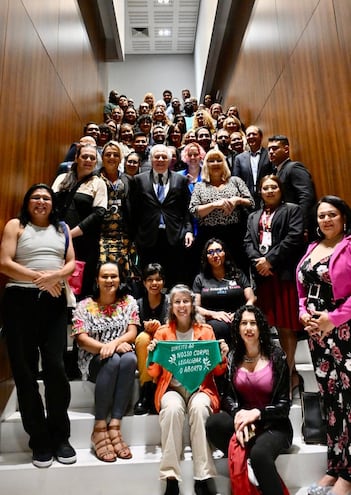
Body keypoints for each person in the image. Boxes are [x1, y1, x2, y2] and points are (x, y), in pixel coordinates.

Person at [0, 183, 76, 468]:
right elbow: (4, 262)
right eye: (36, 197)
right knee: (25, 371)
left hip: (54, 304)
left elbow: (71, 263)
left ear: (52, 203)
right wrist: (40, 278)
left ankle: (60, 436)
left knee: (56, 367)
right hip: (19, 303)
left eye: (46, 198)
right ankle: (39, 440)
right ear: (28, 201)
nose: (42, 201)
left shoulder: (63, 228)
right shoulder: (15, 225)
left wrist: (55, 276)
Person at [147, 284, 229, 495]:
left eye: (185, 301)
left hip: (201, 389)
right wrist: (151, 355)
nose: (182, 305)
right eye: (177, 302)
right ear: (171, 306)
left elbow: (218, 372)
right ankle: (171, 477)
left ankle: (203, 477)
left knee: (201, 409)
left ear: (192, 304)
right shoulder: (163, 333)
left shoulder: (207, 331)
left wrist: (222, 356)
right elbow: (155, 373)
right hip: (171, 388)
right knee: (172, 410)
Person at [296, 195, 351, 495]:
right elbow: (302, 292)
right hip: (317, 335)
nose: (326, 220)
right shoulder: (311, 249)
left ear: (343, 217)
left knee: (350, 401)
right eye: (321, 216)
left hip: (345, 333)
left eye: (332, 215)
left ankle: (350, 474)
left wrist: (334, 318)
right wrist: (303, 314)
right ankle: (335, 466)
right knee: (331, 400)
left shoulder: (350, 246)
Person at [206, 305, 293, 495]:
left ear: (260, 327)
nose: (248, 328)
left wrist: (257, 413)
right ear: (237, 328)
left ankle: (251, 460)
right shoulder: (232, 357)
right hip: (246, 423)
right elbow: (227, 397)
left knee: (260, 455)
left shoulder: (277, 356)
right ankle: (247, 459)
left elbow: (284, 406)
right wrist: (240, 416)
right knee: (214, 423)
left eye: (253, 323)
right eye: (244, 323)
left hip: (273, 424)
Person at [71, 262, 139, 462]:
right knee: (112, 361)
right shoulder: (84, 306)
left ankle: (115, 425)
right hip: (93, 359)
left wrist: (115, 344)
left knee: (128, 359)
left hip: (121, 354)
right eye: (105, 276)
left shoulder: (128, 302)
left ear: (120, 279)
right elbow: (81, 339)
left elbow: (133, 332)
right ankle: (99, 427)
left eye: (114, 276)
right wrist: (105, 349)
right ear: (97, 280)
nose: (109, 280)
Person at [244, 175, 305, 394]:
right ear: (259, 191)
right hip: (263, 277)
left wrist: (270, 260)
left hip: (283, 274)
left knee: (286, 327)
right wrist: (259, 262)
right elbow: (248, 242)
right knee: (271, 325)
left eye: (273, 187)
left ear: (280, 190)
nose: (269, 191)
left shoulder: (292, 210)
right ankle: (290, 373)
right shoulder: (254, 216)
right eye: (265, 188)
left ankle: (287, 378)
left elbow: (294, 237)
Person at [131, 144, 194, 289]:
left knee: (173, 276)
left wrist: (188, 230)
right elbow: (134, 210)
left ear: (170, 159)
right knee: (148, 276)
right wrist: (135, 236)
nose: (160, 159)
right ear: (151, 159)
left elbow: (186, 210)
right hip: (147, 237)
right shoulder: (138, 180)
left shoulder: (181, 180)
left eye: (164, 157)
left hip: (173, 236)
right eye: (156, 156)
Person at [52, 143, 108, 297]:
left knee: (78, 287)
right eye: (84, 156)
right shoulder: (62, 178)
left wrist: (70, 234)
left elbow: (98, 214)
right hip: (57, 238)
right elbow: (52, 205)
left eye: (92, 158)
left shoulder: (99, 183)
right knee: (55, 282)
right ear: (76, 158)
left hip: (84, 243)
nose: (88, 160)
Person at [189, 148, 254, 272]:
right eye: (211, 161)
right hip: (208, 234)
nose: (215, 164)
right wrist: (214, 205)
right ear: (206, 164)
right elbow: (194, 211)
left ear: (224, 163)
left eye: (218, 160)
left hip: (234, 233)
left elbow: (251, 203)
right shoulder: (200, 185)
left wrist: (237, 199)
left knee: (238, 269)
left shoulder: (235, 181)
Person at [193, 238, 256, 343]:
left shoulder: (238, 274)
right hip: (212, 321)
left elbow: (251, 299)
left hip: (238, 318)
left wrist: (239, 313)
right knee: (217, 328)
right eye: (210, 252)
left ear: (224, 253)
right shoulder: (200, 279)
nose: (215, 255)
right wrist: (214, 314)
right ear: (206, 257)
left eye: (218, 250)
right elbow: (195, 307)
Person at [98, 141, 136, 286]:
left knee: (123, 275)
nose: (112, 157)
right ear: (102, 157)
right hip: (100, 235)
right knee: (103, 273)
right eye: (108, 154)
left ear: (120, 159)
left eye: (115, 155)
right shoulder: (95, 179)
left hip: (123, 236)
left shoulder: (129, 180)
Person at [134, 263, 169, 415]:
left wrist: (160, 328)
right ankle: (146, 390)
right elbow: (134, 330)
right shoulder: (138, 304)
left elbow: (175, 327)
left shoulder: (170, 302)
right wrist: (146, 328)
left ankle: (159, 389)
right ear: (144, 282)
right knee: (142, 338)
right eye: (150, 279)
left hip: (167, 340)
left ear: (163, 282)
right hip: (146, 342)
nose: (154, 283)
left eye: (158, 279)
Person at [267, 134, 316, 238]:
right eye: (269, 149)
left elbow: (306, 197)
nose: (271, 152)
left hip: (297, 225)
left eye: (275, 148)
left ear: (286, 149)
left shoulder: (294, 167)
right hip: (288, 223)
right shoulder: (276, 172)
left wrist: (302, 225)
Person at [233, 125, 273, 209]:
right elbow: (236, 180)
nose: (251, 137)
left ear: (261, 137)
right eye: (248, 135)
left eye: (254, 134)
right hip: (247, 201)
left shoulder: (269, 154)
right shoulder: (239, 158)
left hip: (267, 198)